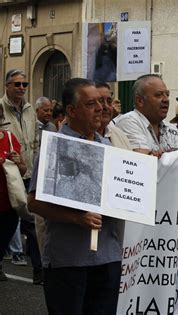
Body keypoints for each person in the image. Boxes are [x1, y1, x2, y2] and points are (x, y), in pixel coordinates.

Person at [28, 78, 123, 314]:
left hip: (108, 257)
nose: (101, 108)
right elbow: (34, 202)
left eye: (102, 102)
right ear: (71, 110)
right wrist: (77, 218)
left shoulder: (110, 148)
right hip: (68, 259)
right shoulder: (55, 147)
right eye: (91, 104)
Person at [0, 69, 42, 284]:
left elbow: (34, 140)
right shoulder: (0, 107)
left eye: (24, 84)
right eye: (17, 84)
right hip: (6, 176)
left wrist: (33, 165)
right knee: (7, 222)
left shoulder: (29, 110)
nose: (21, 88)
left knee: (32, 222)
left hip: (27, 172)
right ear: (7, 86)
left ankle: (39, 270)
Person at [115, 74, 178, 157]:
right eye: (158, 95)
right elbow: (144, 161)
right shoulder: (128, 122)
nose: (166, 100)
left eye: (167, 94)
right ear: (140, 101)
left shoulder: (171, 128)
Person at [0, 105, 26, 281]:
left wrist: (18, 161)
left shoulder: (10, 139)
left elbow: (23, 171)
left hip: (8, 203)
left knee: (3, 239)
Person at [95, 82, 132, 149]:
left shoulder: (119, 134)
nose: (106, 106)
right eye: (100, 101)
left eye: (109, 101)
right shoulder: (79, 138)